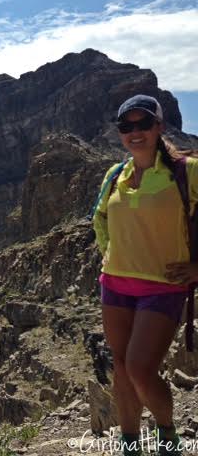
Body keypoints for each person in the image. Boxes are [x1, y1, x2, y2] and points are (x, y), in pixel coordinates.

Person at [92, 94, 198, 456]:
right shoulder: (114, 175)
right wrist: (109, 252)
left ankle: (168, 436)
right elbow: (100, 218)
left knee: (139, 368)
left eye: (143, 124)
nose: (135, 132)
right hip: (115, 284)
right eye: (127, 126)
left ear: (159, 127)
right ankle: (130, 443)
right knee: (121, 368)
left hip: (163, 286)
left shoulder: (187, 171)